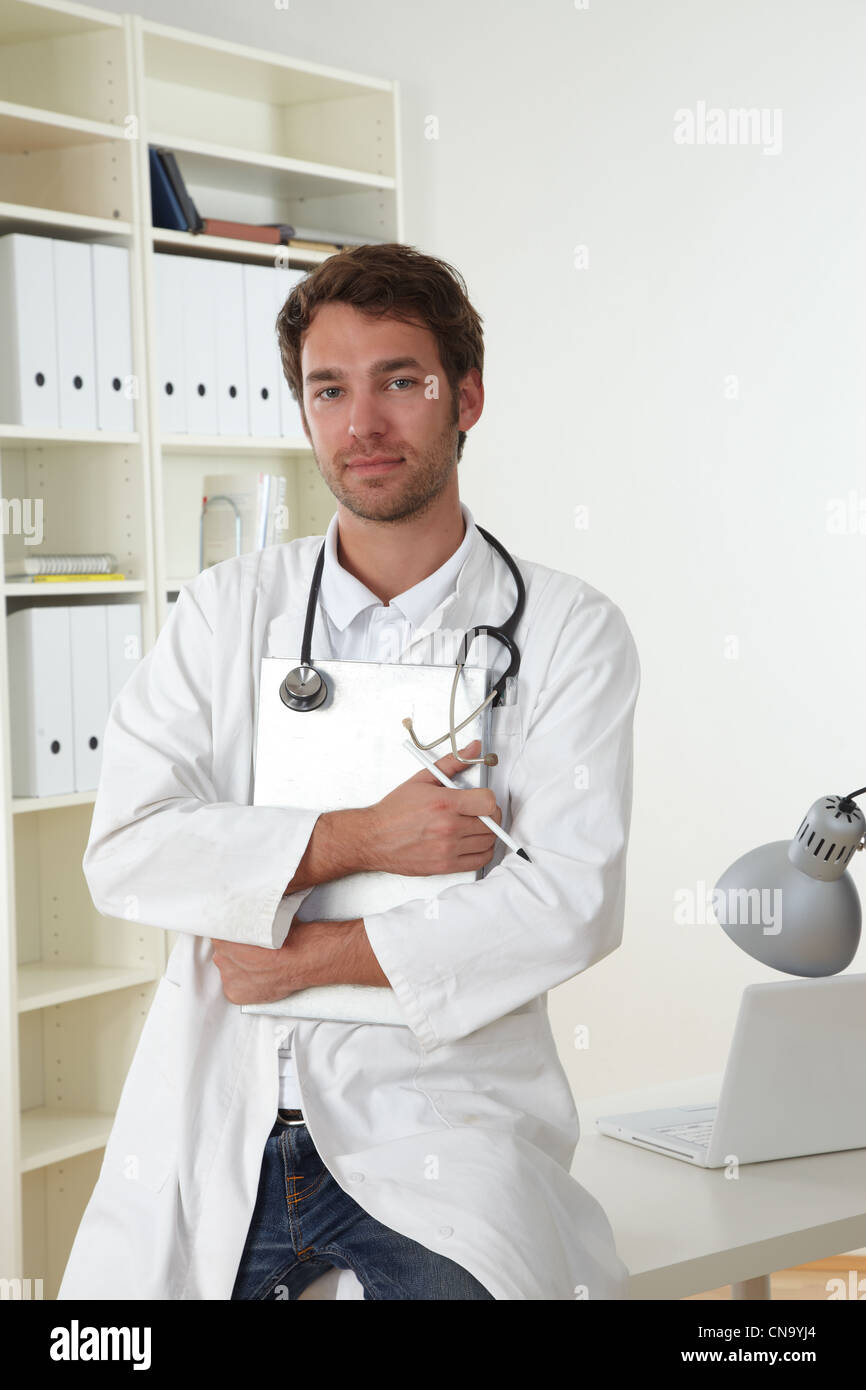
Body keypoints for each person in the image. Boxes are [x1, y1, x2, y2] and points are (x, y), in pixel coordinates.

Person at [57, 242, 640, 1301]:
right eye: (330, 389)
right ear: (304, 409)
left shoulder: (566, 632)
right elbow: (126, 849)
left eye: (400, 382)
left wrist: (300, 958)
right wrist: (360, 838)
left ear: (464, 397)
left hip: (439, 1124)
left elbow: (567, 903)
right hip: (217, 1114)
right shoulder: (228, 610)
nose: (362, 424)